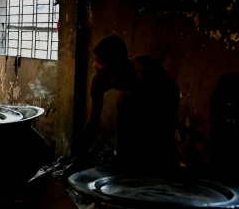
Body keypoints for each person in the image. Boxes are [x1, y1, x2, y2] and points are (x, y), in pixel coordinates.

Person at [66, 35, 181, 175]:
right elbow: (92, 123)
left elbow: (169, 99)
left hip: (161, 99)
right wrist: (78, 160)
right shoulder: (99, 82)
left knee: (157, 146)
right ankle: (125, 166)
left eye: (100, 62)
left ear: (116, 65)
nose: (94, 65)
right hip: (130, 97)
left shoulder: (145, 70)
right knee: (125, 150)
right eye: (95, 60)